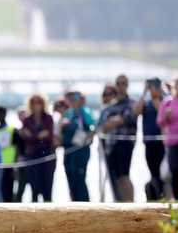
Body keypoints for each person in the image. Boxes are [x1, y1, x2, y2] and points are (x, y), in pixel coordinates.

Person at [98, 74, 136, 202]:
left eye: (123, 83)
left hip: (125, 143)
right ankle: (122, 202)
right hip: (111, 145)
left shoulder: (132, 103)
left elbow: (126, 119)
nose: (121, 86)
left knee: (124, 175)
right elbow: (103, 125)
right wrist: (114, 122)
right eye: (118, 83)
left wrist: (113, 122)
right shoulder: (111, 105)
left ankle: (131, 202)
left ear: (127, 85)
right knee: (117, 177)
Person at [134, 77, 169, 201]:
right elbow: (136, 111)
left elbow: (162, 112)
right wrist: (144, 93)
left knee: (162, 173)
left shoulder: (165, 100)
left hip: (161, 142)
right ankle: (155, 196)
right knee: (153, 171)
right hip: (149, 142)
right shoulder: (146, 101)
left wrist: (155, 97)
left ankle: (164, 195)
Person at [19, 93, 55, 203]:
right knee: (34, 187)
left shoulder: (48, 117)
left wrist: (34, 136)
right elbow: (26, 138)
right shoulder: (27, 119)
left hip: (47, 155)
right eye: (33, 103)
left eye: (38, 102)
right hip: (32, 155)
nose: (36, 105)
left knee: (47, 187)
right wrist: (39, 136)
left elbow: (49, 136)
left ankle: (48, 210)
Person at [61, 90, 95, 202]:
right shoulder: (68, 113)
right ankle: (75, 204)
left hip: (81, 150)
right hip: (68, 149)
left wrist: (83, 140)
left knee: (79, 178)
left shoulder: (85, 112)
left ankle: (85, 205)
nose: (73, 99)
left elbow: (93, 127)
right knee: (70, 177)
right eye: (70, 97)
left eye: (75, 96)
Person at [0, 106, 17, 202]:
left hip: (10, 165)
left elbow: (17, 148)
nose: (0, 115)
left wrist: (15, 166)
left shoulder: (12, 130)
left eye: (1, 113)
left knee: (9, 191)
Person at [12, 106, 29, 203]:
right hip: (21, 163)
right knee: (20, 189)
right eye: (20, 115)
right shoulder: (16, 132)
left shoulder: (33, 129)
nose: (22, 116)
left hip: (33, 161)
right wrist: (14, 166)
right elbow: (16, 150)